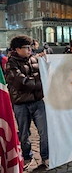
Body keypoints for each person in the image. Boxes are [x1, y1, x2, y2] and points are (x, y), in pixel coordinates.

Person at [5, 35, 49, 169]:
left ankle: (46, 156)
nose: (30, 50)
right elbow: (20, 82)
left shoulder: (35, 59)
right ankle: (27, 156)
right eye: (26, 47)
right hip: (21, 104)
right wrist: (38, 81)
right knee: (24, 134)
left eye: (31, 47)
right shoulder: (11, 63)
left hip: (37, 101)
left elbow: (45, 75)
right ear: (17, 49)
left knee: (44, 131)